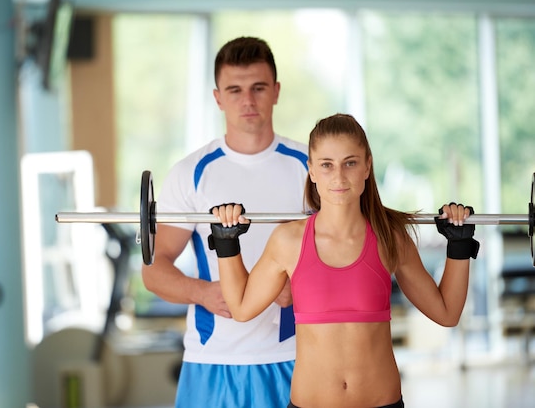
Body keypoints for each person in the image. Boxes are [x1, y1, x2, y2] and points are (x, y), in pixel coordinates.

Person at [209, 113, 480, 408]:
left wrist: (459, 246)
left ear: (367, 166)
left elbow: (447, 313)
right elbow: (242, 308)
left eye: (350, 163)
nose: (338, 177)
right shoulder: (288, 241)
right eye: (327, 165)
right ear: (311, 170)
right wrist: (227, 244)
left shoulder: (391, 237)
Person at [141, 36, 309, 407]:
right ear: (218, 97)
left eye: (258, 88)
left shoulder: (311, 167)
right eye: (234, 90)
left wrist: (298, 285)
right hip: (212, 360)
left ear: (276, 91)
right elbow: (154, 270)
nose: (247, 101)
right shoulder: (191, 173)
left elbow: (342, 252)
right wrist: (202, 292)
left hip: (295, 358)